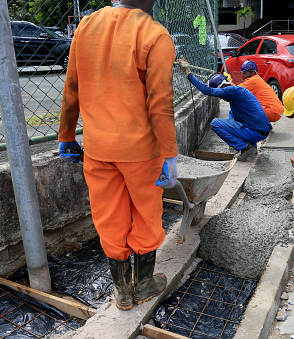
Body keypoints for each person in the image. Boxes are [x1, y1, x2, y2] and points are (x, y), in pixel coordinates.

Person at [58, 0, 178, 311]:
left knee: (108, 217)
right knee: (146, 216)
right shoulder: (155, 35)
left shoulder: (85, 26)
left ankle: (122, 292)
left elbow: (72, 87)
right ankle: (144, 285)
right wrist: (170, 153)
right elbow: (160, 101)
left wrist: (67, 136)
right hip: (140, 152)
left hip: (98, 149)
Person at [178, 57, 271, 162]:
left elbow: (206, 90)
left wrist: (189, 73)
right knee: (232, 115)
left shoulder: (232, 90)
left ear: (221, 87)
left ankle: (246, 147)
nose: (221, 98)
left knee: (215, 123)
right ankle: (251, 147)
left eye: (220, 95)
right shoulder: (238, 92)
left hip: (257, 132)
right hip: (262, 131)